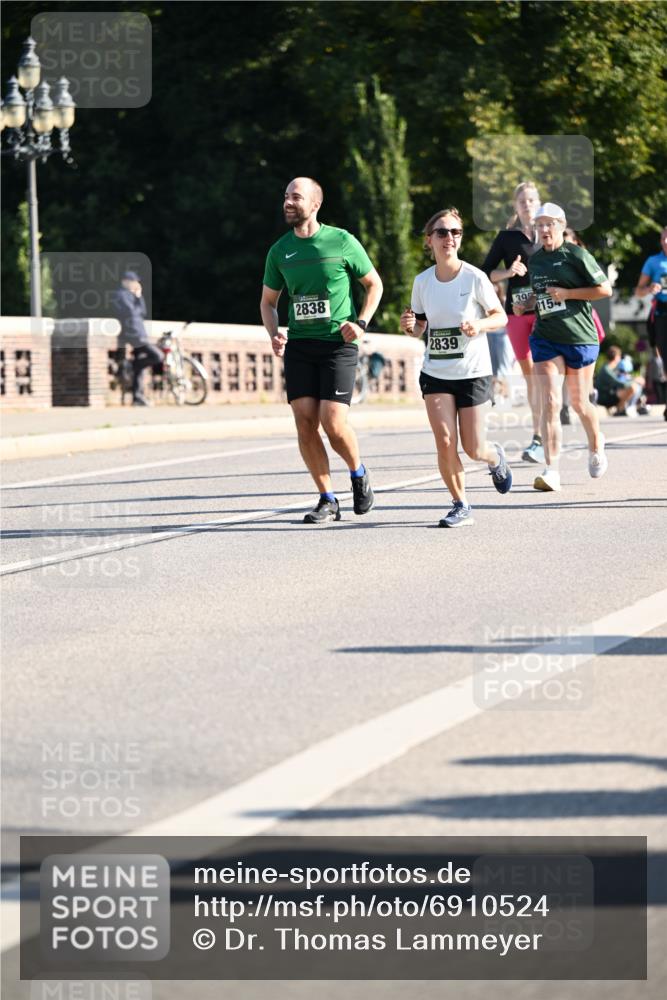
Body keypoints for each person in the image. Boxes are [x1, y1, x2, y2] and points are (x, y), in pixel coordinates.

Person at [260, 177, 383, 524]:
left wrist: (361, 322)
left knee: (333, 422)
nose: (287, 202)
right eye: (285, 196)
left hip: (338, 345)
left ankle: (358, 473)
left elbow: (374, 284)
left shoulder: (341, 241)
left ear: (314, 204)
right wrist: (274, 333)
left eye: (295, 197)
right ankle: (327, 498)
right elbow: (269, 302)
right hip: (300, 345)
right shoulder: (280, 250)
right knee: (304, 423)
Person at [400, 207, 512, 528]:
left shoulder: (474, 277)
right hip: (436, 372)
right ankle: (460, 503)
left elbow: (500, 316)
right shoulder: (422, 282)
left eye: (455, 233)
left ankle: (495, 457)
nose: (449, 238)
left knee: (474, 448)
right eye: (442, 233)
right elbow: (420, 327)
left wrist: (479, 324)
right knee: (445, 440)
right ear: (429, 241)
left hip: (473, 372)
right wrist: (410, 325)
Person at [515, 203, 613, 492]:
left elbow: (605, 289)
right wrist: (527, 305)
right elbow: (543, 297)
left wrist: (569, 293)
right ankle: (551, 469)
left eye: (549, 224)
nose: (544, 230)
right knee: (550, 402)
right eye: (539, 225)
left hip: (580, 337)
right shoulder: (535, 262)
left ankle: (596, 444)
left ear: (560, 225)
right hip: (545, 337)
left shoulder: (576, 254)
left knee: (580, 403)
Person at [483, 181, 543, 463]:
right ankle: (539, 437)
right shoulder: (507, 238)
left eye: (531, 200)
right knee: (531, 376)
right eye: (522, 201)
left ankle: (541, 437)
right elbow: (485, 272)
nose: (527, 205)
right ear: (516, 206)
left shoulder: (548, 232)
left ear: (538, 202)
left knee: (545, 374)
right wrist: (508, 272)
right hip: (517, 314)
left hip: (547, 314)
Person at [560, 228, 607, 423]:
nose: (561, 241)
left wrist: (569, 293)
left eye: (565, 237)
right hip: (555, 322)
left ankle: (588, 391)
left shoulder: (582, 259)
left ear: (575, 241)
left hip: (582, 320)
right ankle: (564, 406)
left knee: (581, 363)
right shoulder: (544, 260)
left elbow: (601, 289)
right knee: (560, 366)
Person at [112, 271, 163, 406]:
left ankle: (137, 397)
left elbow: (142, 312)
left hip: (139, 333)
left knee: (140, 367)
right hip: (133, 335)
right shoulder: (120, 295)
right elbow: (130, 313)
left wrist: (139, 297)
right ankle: (132, 366)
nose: (136, 284)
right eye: (133, 281)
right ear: (125, 281)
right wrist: (136, 299)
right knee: (158, 356)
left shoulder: (132, 296)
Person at [635, 225, 667, 421]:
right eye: (664, 238)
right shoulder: (653, 262)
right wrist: (649, 289)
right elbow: (637, 292)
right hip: (662, 314)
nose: (666, 242)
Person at [594, 345, 647, 416]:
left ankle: (624, 408)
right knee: (632, 388)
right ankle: (620, 409)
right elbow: (621, 384)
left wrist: (633, 379)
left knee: (633, 386)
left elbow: (624, 379)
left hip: (611, 393)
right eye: (619, 357)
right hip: (604, 397)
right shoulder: (606, 370)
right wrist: (635, 380)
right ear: (616, 357)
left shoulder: (612, 368)